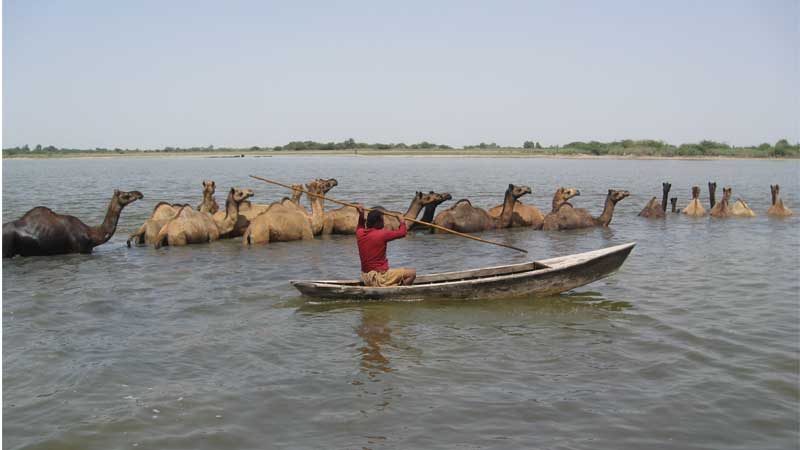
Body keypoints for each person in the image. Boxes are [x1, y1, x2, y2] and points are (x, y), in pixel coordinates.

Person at [355, 205, 416, 287]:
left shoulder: (360, 233)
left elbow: (360, 226)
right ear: (377, 222)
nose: (384, 223)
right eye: (382, 220)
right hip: (379, 277)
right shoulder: (382, 234)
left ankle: (391, 285)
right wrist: (402, 221)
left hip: (366, 277)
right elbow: (402, 233)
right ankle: (398, 291)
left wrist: (361, 214)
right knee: (412, 273)